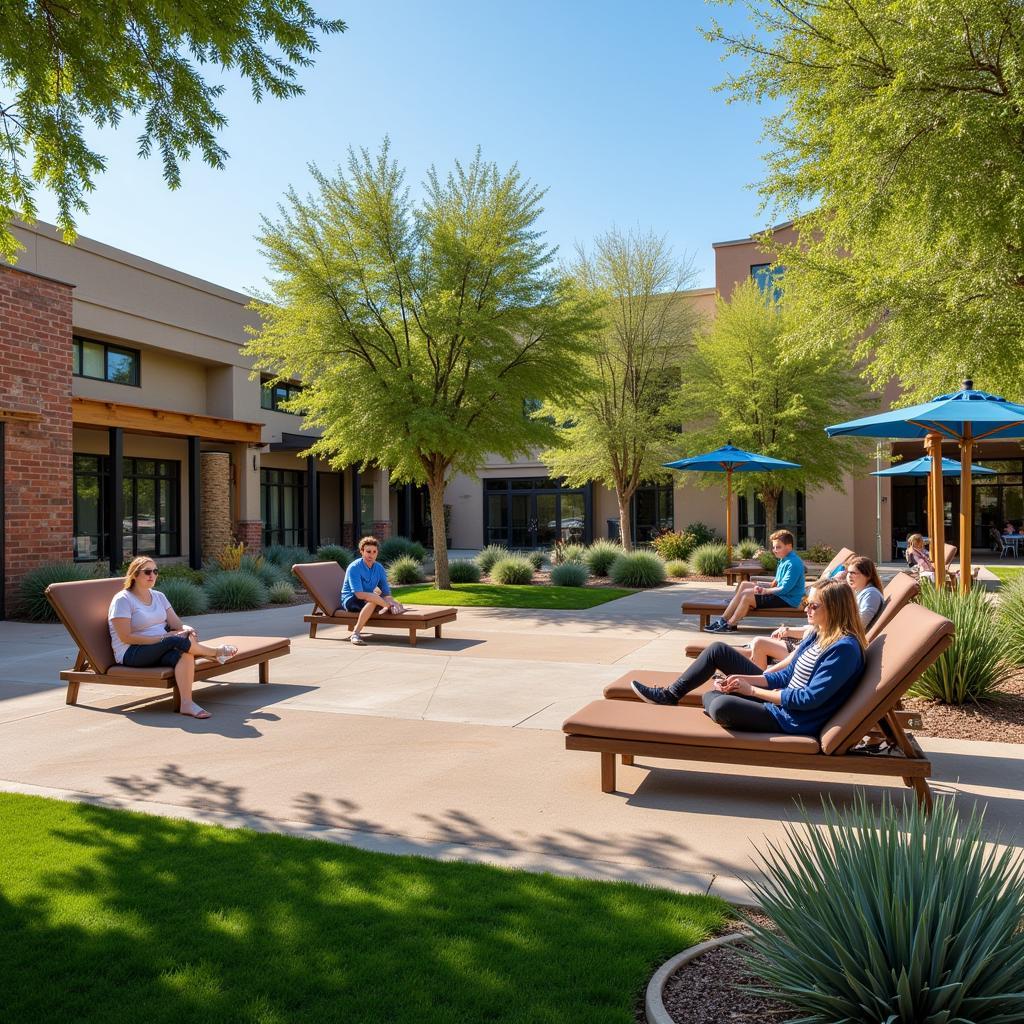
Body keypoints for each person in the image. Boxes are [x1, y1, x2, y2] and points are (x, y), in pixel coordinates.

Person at [631, 577, 867, 737]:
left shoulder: (843, 649)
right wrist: (739, 680)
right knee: (718, 652)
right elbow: (786, 674)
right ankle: (670, 695)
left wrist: (751, 691)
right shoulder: (818, 633)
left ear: (834, 609)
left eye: (814, 605)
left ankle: (720, 700)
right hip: (777, 700)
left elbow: (808, 699)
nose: (806, 609)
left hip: (792, 718)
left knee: (721, 703)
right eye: (807, 603)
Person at [108, 557, 238, 720]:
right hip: (132, 652)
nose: (152, 575)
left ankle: (187, 704)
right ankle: (216, 653)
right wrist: (164, 637)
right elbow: (125, 637)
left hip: (158, 647)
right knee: (177, 641)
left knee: (185, 653)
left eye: (155, 571)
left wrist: (186, 629)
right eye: (147, 572)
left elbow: (176, 624)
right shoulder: (123, 599)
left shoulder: (159, 596)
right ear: (134, 575)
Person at [707, 530, 805, 633]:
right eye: (774, 547)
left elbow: (784, 589)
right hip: (782, 594)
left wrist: (765, 591)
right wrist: (763, 586)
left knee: (747, 596)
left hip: (788, 599)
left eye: (778, 547)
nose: (775, 550)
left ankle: (730, 625)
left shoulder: (793, 563)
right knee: (745, 585)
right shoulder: (784, 559)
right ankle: (722, 620)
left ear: (789, 547)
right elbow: (777, 581)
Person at [341, 535, 403, 645]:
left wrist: (391, 602)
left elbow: (386, 592)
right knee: (374, 599)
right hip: (351, 599)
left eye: (374, 552)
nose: (371, 555)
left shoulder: (379, 568)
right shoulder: (354, 567)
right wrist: (387, 605)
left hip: (368, 598)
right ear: (362, 551)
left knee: (395, 603)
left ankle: (391, 606)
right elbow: (359, 594)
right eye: (368, 551)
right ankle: (355, 634)